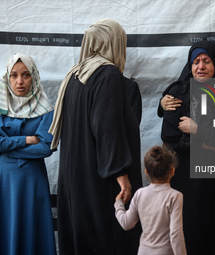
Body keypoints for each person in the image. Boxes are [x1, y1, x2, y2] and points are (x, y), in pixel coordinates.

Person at [48, 19, 142, 255]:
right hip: (100, 183)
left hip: (75, 181)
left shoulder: (75, 75)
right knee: (107, 241)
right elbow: (106, 127)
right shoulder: (106, 74)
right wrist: (121, 175)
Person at [159, 40, 215, 255]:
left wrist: (197, 132)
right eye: (196, 61)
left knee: (213, 227)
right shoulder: (177, 92)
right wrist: (206, 142)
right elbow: (170, 136)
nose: (201, 66)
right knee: (185, 227)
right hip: (183, 175)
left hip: (214, 177)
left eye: (207, 61)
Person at [0, 53, 56, 255]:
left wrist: (7, 147)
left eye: (25, 75)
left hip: (32, 181)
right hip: (3, 181)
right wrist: (26, 139)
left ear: (34, 76)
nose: (19, 81)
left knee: (32, 229)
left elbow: (45, 148)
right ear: (7, 78)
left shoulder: (46, 109)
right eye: (13, 75)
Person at [115, 145, 187, 255]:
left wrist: (118, 204)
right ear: (172, 170)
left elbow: (126, 223)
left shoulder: (140, 194)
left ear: (146, 172)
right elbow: (175, 234)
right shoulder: (175, 196)